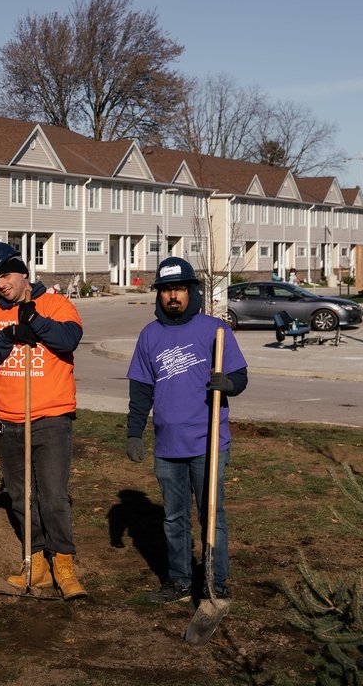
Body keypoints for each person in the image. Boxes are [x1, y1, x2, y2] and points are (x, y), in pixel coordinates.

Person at [0, 242, 87, 599]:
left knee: (53, 496)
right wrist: (7, 335)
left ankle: (63, 564)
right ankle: (35, 564)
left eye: (5, 275)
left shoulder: (56, 304)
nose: (1, 284)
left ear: (23, 272)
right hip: (8, 421)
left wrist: (34, 321)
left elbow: (70, 338)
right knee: (20, 497)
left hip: (51, 417)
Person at [125, 256, 248, 604]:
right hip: (168, 445)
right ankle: (179, 580)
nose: (173, 296)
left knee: (212, 515)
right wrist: (134, 432)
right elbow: (140, 391)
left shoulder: (215, 330)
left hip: (208, 442)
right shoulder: (149, 336)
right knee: (173, 517)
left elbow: (240, 376)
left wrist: (228, 384)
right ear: (159, 295)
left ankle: (215, 582)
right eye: (166, 290)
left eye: (179, 289)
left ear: (191, 291)